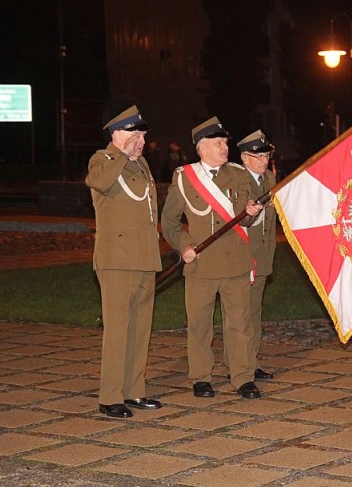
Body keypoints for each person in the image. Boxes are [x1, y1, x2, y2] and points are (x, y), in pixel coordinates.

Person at [161, 116, 264, 399]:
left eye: (225, 142)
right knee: (199, 326)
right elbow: (169, 222)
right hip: (201, 265)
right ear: (201, 148)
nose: (224, 147)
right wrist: (183, 245)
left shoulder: (238, 174)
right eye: (218, 143)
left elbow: (244, 220)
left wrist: (250, 214)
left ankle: (242, 377)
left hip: (235, 264)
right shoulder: (184, 177)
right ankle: (201, 377)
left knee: (239, 323)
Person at [85, 105, 162, 418]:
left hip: (144, 258)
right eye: (135, 133)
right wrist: (121, 152)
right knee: (117, 330)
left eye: (142, 134)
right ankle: (110, 397)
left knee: (140, 329)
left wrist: (131, 154)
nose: (140, 140)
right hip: (116, 259)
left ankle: (134, 391)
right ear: (117, 133)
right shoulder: (103, 159)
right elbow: (100, 182)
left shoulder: (140, 163)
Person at [222, 129, 276, 381]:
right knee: (240, 314)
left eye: (267, 156)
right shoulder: (237, 180)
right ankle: (237, 363)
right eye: (259, 157)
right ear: (244, 157)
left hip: (262, 256)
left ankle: (250, 361)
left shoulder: (270, 181)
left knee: (254, 312)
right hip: (242, 257)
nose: (264, 161)